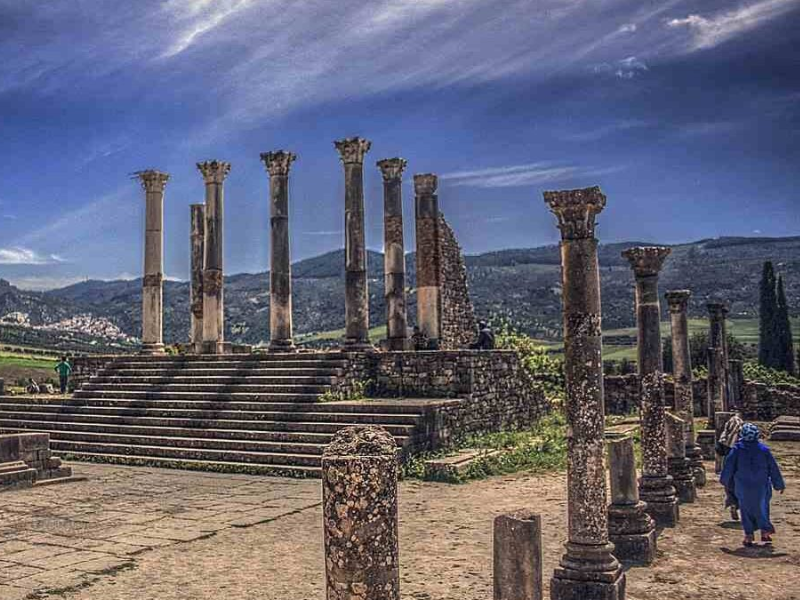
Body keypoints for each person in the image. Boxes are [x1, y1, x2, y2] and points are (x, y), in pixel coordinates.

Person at [720, 422, 786, 547]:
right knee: (763, 508)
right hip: (761, 487)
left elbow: (728, 467)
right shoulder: (764, 450)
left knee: (745, 510)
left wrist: (725, 480)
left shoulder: (736, 450)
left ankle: (748, 536)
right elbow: (773, 469)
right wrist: (779, 484)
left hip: (743, 486)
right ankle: (765, 532)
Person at [717, 411, 744, 520]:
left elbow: (719, 450)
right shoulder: (743, 437)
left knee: (730, 486)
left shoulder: (725, 435)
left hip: (728, 462)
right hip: (740, 465)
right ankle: (739, 506)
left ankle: (732, 503)